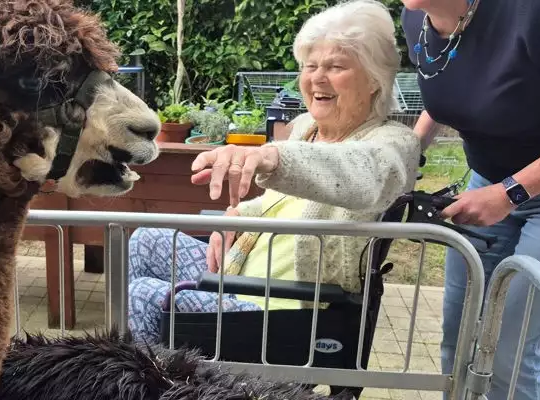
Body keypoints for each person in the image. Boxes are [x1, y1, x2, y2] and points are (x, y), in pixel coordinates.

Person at [126, 0, 421, 346]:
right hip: (243, 273)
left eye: (336, 66)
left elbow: (363, 176)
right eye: (310, 66)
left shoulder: (393, 142)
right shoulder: (305, 128)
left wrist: (273, 156)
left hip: (286, 312)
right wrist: (235, 217)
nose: (317, 78)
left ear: (374, 80)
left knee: (145, 296)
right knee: (144, 239)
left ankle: (150, 382)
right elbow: (276, 205)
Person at [398, 0, 540, 399]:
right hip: (490, 182)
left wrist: (511, 192)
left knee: (509, 349)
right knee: (458, 340)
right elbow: (447, 88)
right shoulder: (419, 15)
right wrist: (405, 154)